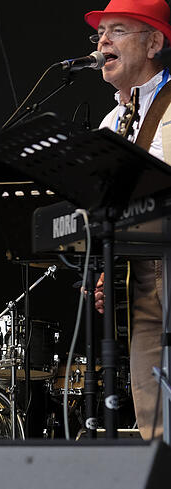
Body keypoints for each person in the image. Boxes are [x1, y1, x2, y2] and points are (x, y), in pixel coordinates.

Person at [88, 0, 169, 440]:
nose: (103, 42)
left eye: (117, 30)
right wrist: (107, 268)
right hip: (139, 280)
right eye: (100, 33)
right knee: (152, 421)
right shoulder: (110, 121)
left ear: (154, 42)